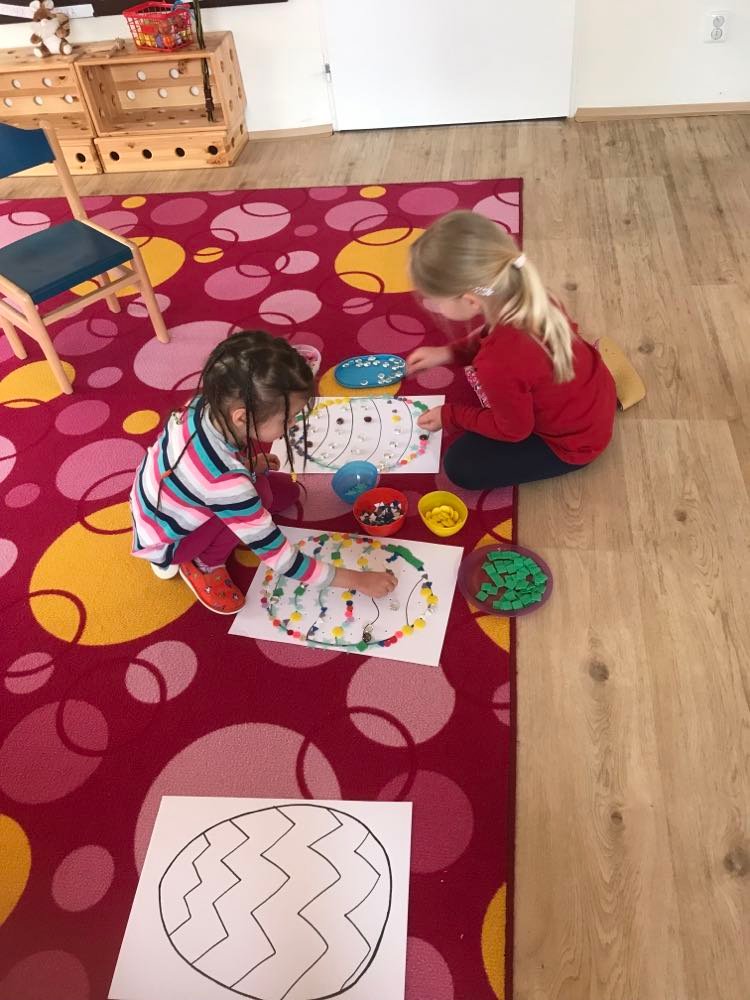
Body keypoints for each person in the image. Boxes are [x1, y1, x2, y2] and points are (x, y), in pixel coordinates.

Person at [130, 330, 396, 614]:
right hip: (169, 541)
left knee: (278, 494)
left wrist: (247, 465)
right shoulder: (227, 484)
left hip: (159, 504)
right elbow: (281, 558)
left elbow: (200, 464)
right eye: (288, 418)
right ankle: (204, 563)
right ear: (242, 417)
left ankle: (242, 501)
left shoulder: (205, 403)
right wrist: (359, 580)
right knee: (259, 497)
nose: (293, 424)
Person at [406, 211, 617, 490]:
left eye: (436, 301)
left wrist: (450, 415)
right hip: (593, 400)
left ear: (471, 301)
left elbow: (514, 430)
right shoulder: (533, 296)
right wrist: (447, 353)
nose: (435, 307)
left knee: (460, 465)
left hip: (574, 443)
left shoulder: (497, 364)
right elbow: (491, 337)